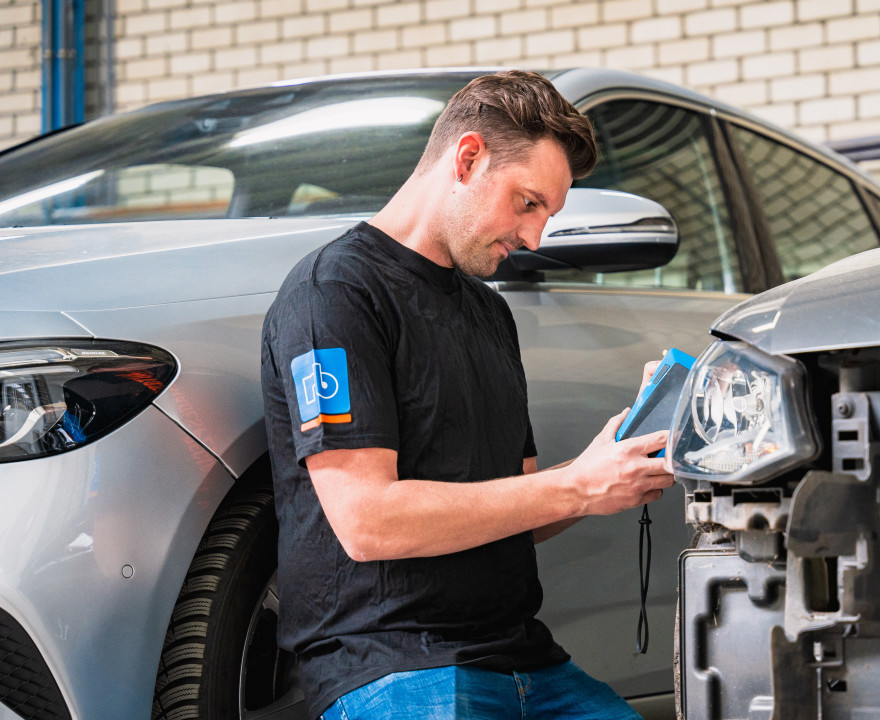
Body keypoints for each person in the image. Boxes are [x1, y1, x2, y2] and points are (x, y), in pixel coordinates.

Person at [259, 70, 674, 720]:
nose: (534, 238)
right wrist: (578, 488)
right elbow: (367, 522)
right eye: (527, 203)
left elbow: (523, 507)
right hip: (392, 662)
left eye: (548, 215)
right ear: (469, 157)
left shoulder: (489, 314)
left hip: (524, 659)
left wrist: (606, 467)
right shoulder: (333, 295)